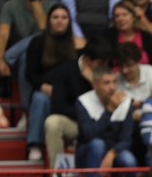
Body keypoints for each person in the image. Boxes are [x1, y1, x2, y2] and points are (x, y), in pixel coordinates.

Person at [44, 37, 113, 168]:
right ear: (87, 60)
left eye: (106, 63)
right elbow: (58, 106)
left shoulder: (107, 70)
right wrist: (83, 116)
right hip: (77, 122)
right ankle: (58, 176)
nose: (104, 67)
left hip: (104, 121)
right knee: (52, 122)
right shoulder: (66, 69)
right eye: (100, 63)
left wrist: (95, 82)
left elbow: (113, 101)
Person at [75, 67, 137, 177]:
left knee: (129, 160)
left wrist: (112, 153)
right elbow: (89, 134)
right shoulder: (84, 101)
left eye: (114, 82)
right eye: (107, 83)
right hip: (87, 152)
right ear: (95, 85)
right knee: (97, 144)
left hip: (115, 150)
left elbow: (126, 139)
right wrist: (109, 111)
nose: (112, 87)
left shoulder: (126, 102)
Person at [25, 3, 77, 162]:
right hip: (45, 89)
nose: (59, 21)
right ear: (49, 21)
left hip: (69, 92)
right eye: (55, 17)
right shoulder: (38, 42)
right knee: (40, 99)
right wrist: (42, 85)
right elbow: (30, 73)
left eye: (64, 17)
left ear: (69, 21)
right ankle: (35, 144)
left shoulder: (76, 44)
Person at [105, 0, 152, 68]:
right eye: (117, 16)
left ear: (133, 17)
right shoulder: (109, 36)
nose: (121, 19)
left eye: (124, 15)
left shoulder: (146, 36)